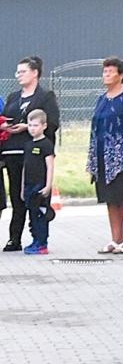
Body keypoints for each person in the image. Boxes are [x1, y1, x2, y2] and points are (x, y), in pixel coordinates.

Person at [87, 56, 123, 254]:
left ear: (120, 75)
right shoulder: (101, 99)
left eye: (111, 72)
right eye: (104, 71)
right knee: (111, 199)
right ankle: (115, 238)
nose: (106, 75)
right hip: (104, 157)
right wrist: (92, 161)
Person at [3, 55, 60, 252]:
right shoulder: (12, 97)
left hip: (35, 154)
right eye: (17, 72)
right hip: (13, 151)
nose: (18, 75)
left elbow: (52, 123)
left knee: (35, 197)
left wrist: (28, 127)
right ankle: (14, 238)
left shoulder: (45, 97)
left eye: (23, 71)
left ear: (35, 73)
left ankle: (39, 238)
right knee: (17, 196)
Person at [19, 109, 54, 255]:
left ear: (44, 126)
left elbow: (50, 166)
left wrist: (48, 185)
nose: (33, 129)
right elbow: (25, 167)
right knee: (32, 215)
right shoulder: (28, 145)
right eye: (30, 125)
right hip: (28, 185)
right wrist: (22, 188)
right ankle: (35, 240)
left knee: (40, 215)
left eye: (36, 125)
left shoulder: (46, 144)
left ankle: (42, 243)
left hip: (40, 186)